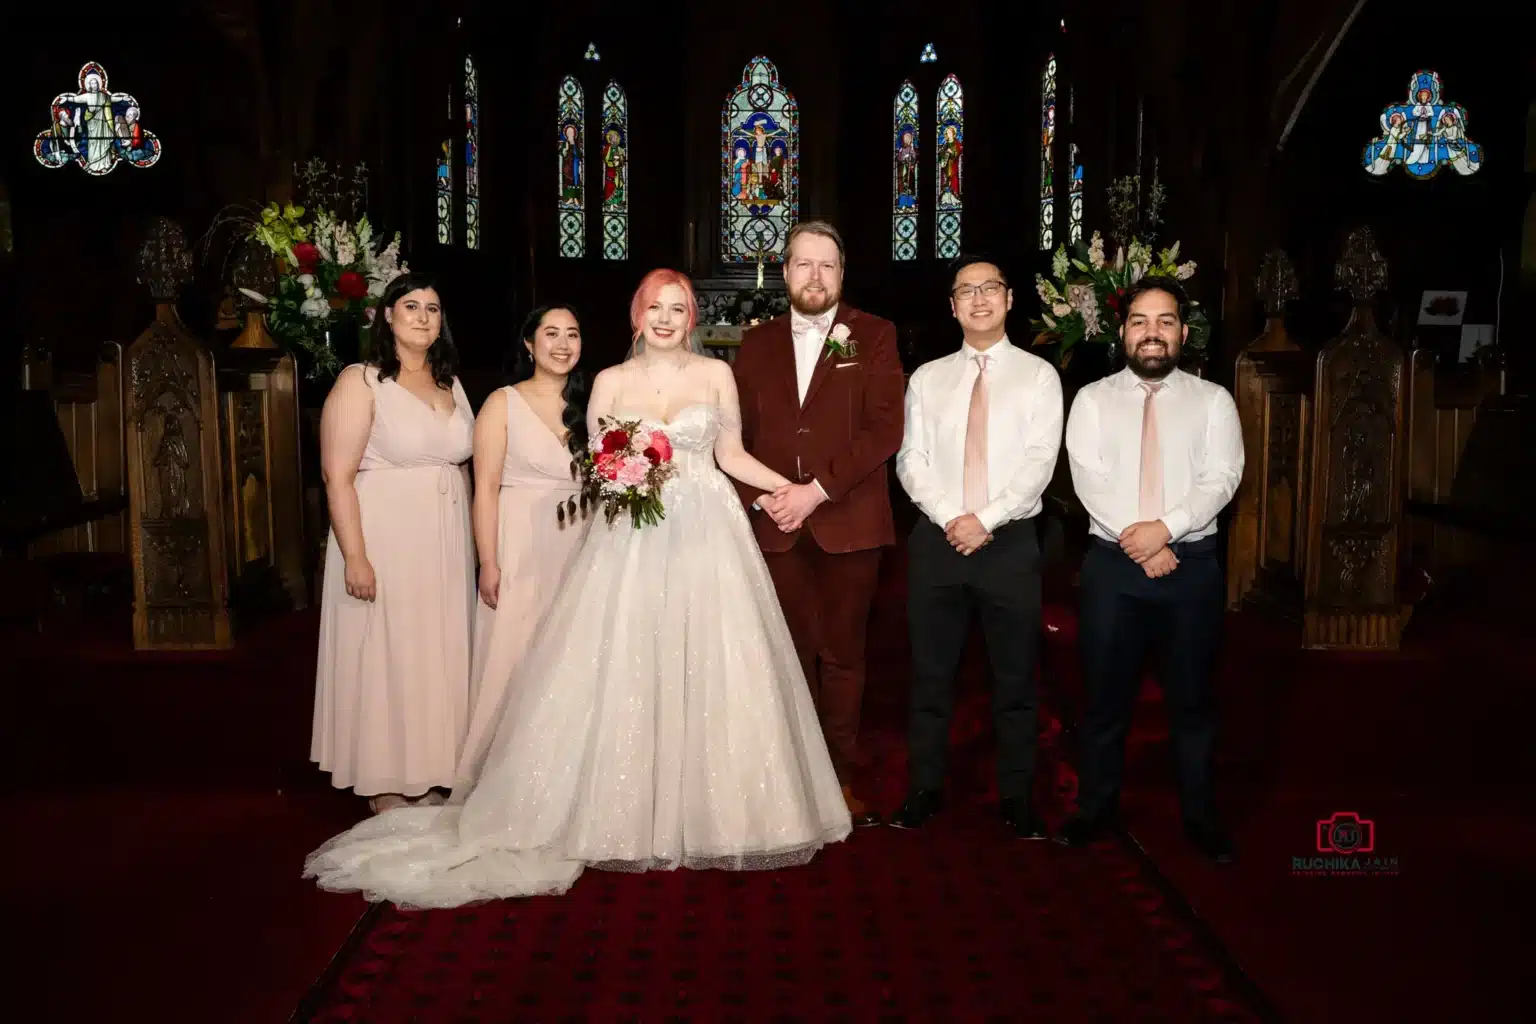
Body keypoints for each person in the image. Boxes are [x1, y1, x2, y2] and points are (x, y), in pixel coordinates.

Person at [303, 270, 850, 907]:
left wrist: (789, 488)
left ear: (693, 316)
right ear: (636, 315)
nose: (667, 319)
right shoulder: (611, 384)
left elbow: (728, 454)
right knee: (624, 663)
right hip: (636, 536)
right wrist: (626, 478)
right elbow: (601, 464)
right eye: (655, 307)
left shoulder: (716, 377)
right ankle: (617, 804)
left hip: (709, 533)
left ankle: (715, 806)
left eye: (679, 309)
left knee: (715, 660)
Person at [1054, 279, 1243, 863]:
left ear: (1183, 334)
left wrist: (1169, 529)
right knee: (1104, 701)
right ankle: (1095, 808)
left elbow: (1223, 478)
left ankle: (1201, 816)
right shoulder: (1091, 399)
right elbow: (1088, 479)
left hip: (1192, 569)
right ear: (1122, 332)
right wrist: (1143, 541)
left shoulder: (1214, 401)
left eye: (1165, 322)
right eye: (1140, 321)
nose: (1152, 333)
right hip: (1114, 567)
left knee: (1192, 702)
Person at [731, 221, 905, 827]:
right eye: (802, 264)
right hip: (776, 524)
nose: (814, 276)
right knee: (783, 655)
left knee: (842, 658)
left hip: (849, 522)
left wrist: (818, 491)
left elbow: (885, 428)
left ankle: (837, 778)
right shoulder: (755, 344)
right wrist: (765, 496)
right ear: (784, 274)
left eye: (826, 265)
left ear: (842, 273)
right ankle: (785, 781)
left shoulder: (874, 336)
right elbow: (735, 436)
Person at [891, 255, 1063, 837]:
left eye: (991, 287)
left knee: (1015, 679)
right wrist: (950, 517)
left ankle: (1017, 796)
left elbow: (1041, 462)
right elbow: (910, 460)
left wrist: (985, 518)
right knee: (930, 676)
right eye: (967, 291)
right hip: (938, 541)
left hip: (1010, 541)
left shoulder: (1039, 376)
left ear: (1009, 298)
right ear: (953, 306)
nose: (979, 299)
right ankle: (924, 788)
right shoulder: (928, 378)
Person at [310, 273, 475, 814]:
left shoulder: (451, 383)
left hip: (444, 545)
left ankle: (428, 772)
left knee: (435, 656)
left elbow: (463, 467)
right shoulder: (361, 381)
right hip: (384, 537)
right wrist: (355, 556)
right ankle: (384, 783)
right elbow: (337, 476)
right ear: (387, 316)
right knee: (388, 654)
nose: (423, 316)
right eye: (411, 306)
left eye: (433, 307)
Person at [451, 305, 592, 794]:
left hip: (580, 546)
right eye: (550, 334)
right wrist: (488, 561)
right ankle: (501, 779)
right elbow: (483, 488)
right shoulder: (501, 404)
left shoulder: (592, 406)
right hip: (518, 543)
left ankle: (563, 777)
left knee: (570, 659)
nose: (562, 344)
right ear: (529, 344)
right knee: (512, 655)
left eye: (572, 335)